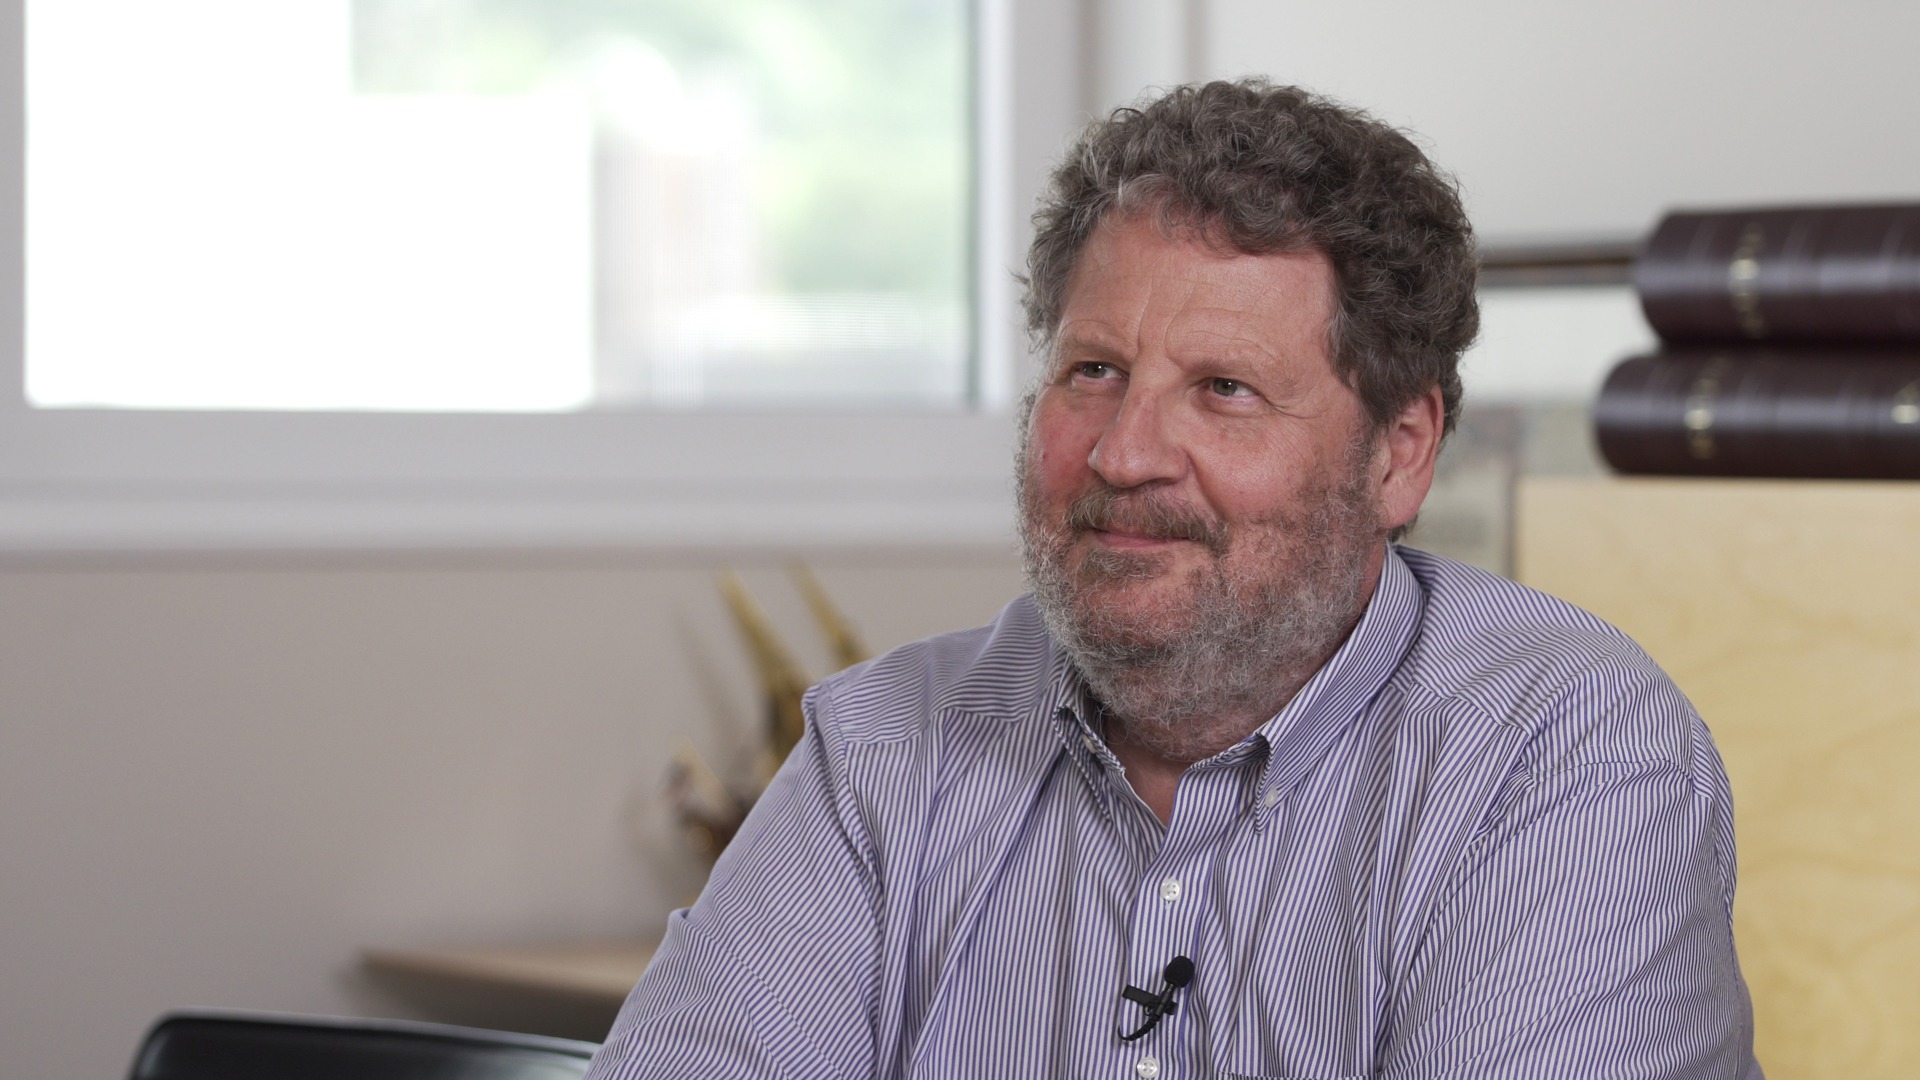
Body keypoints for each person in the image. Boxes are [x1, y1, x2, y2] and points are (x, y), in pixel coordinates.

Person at [586, 79, 1761, 1080]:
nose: (1124, 453)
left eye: (1224, 390)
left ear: (1399, 454)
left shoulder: (1565, 756)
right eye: (1093, 371)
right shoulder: (886, 751)